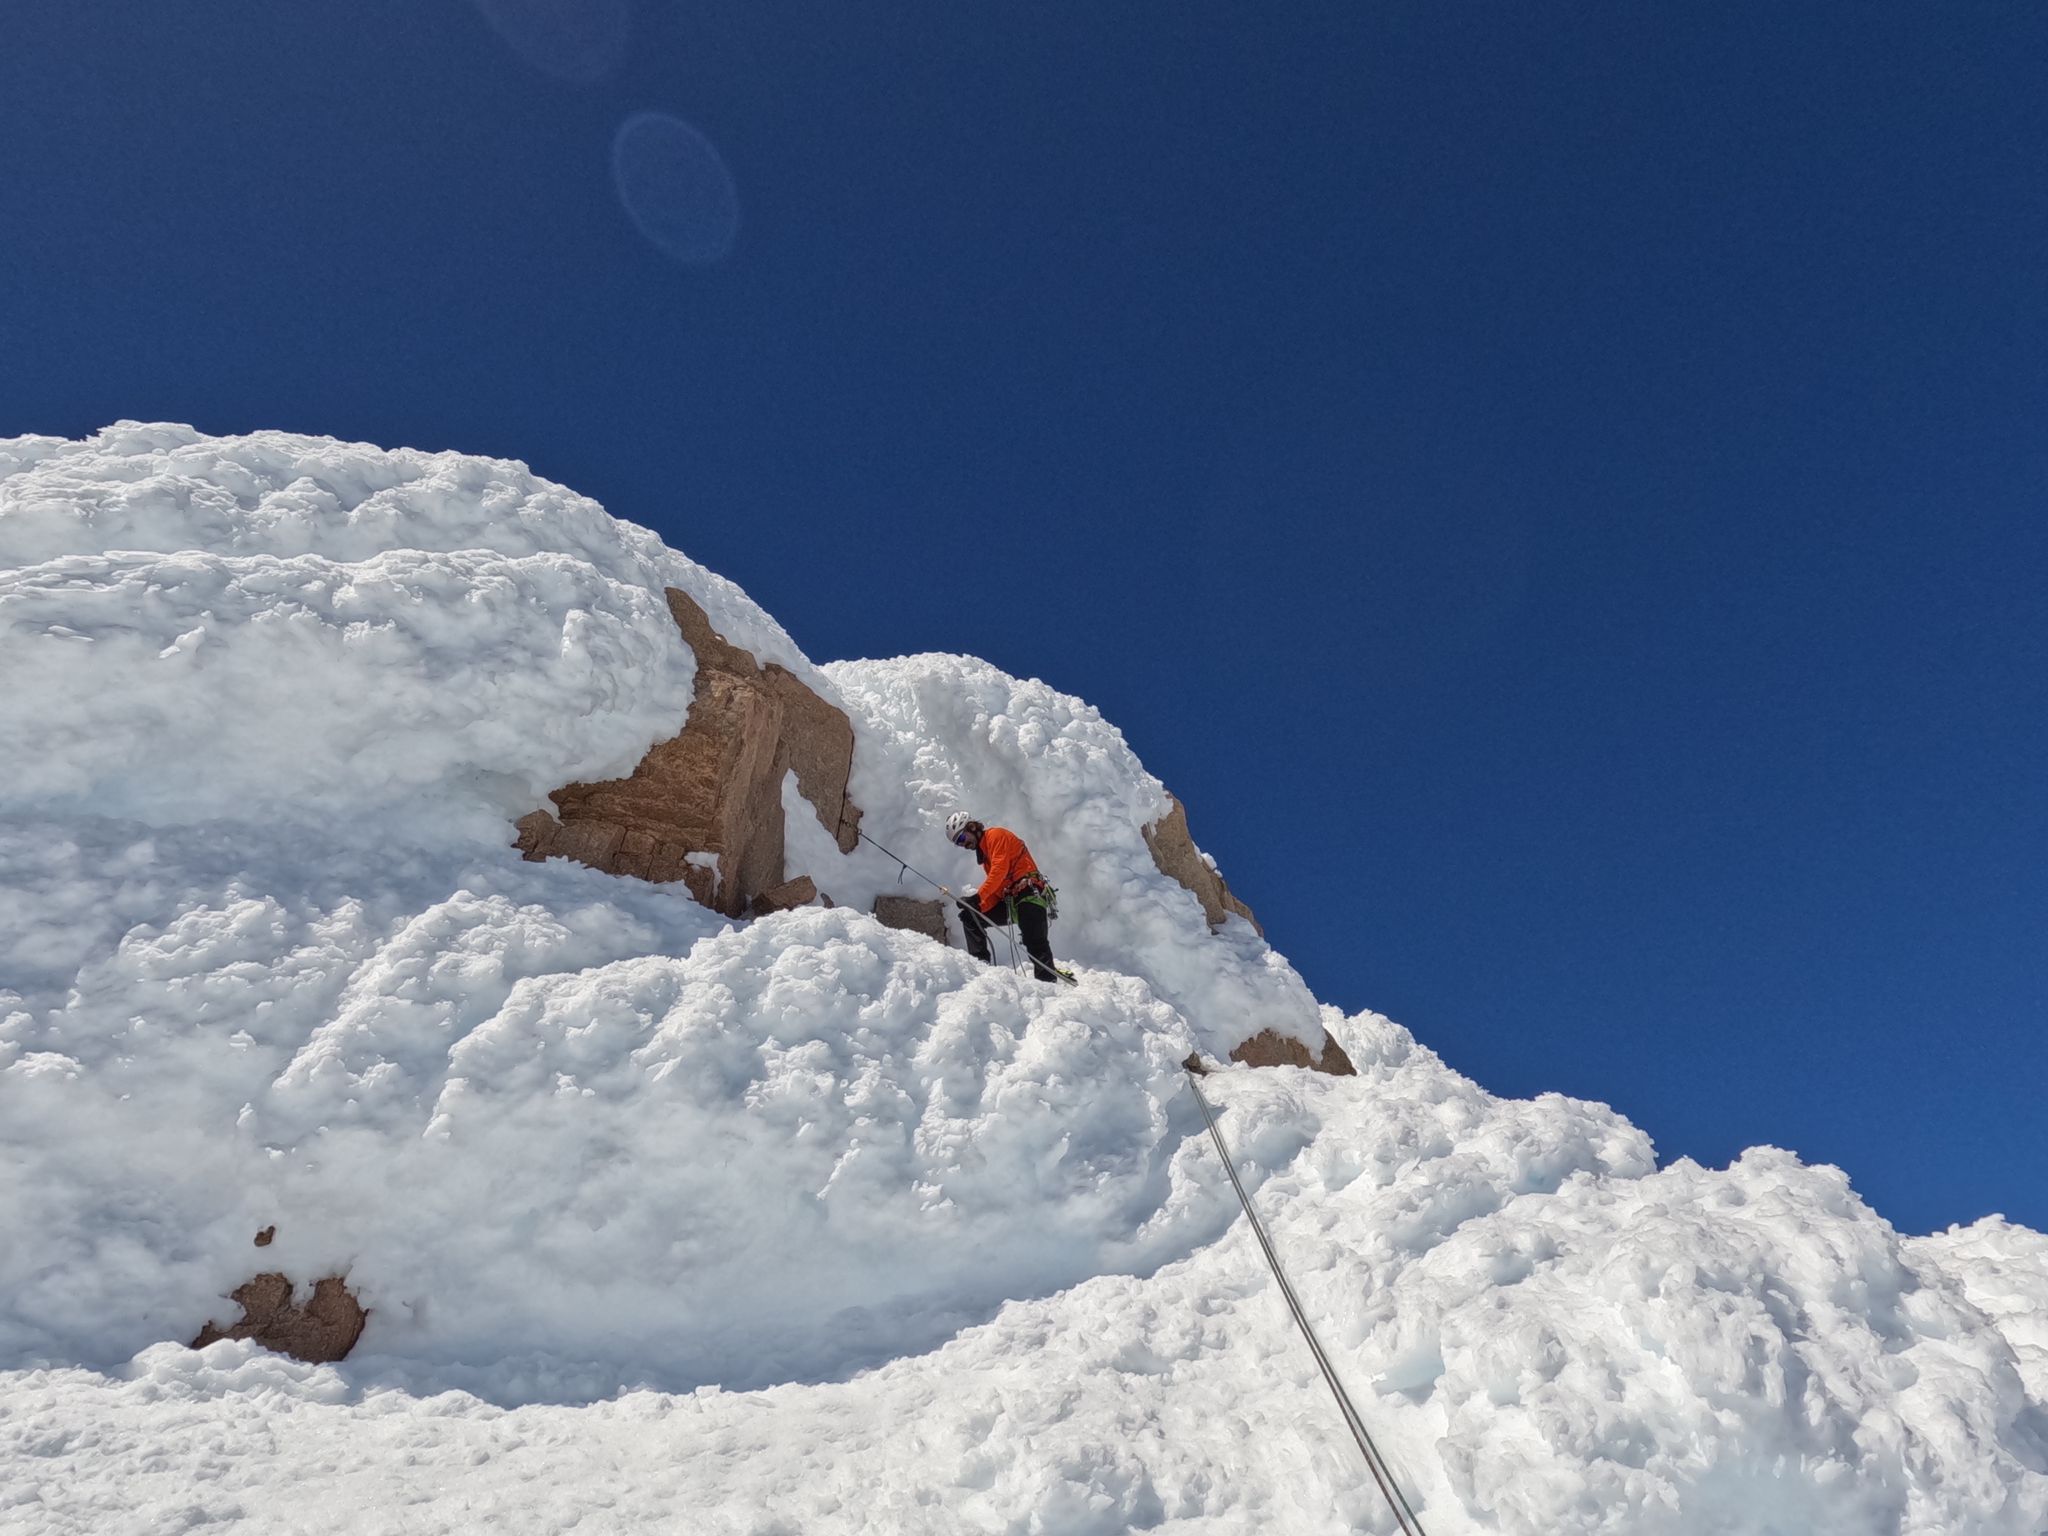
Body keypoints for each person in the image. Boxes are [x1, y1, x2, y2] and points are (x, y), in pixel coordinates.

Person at [945, 812, 1067, 983]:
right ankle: (980, 965)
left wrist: (978, 897)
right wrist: (977, 907)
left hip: (1029, 893)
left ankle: (1047, 982)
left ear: (972, 827)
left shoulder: (996, 836)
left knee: (1034, 940)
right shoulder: (986, 856)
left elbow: (999, 872)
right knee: (970, 917)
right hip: (1012, 901)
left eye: (963, 837)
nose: (963, 844)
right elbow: (997, 890)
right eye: (958, 842)